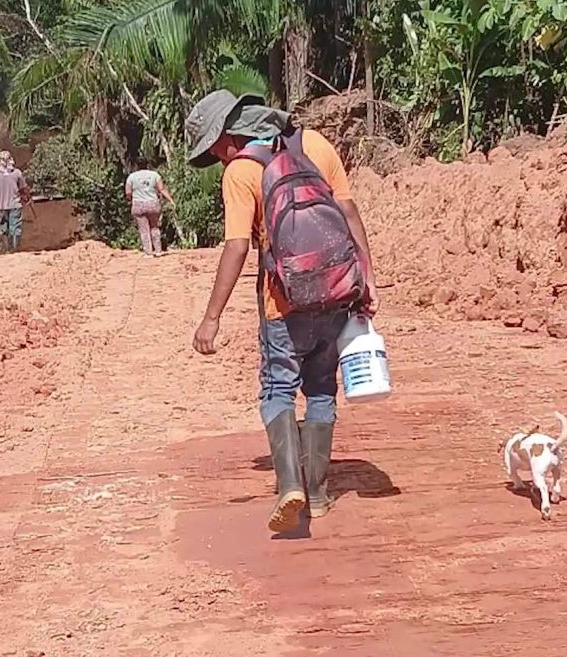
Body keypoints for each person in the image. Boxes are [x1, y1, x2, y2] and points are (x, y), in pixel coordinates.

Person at [184, 89, 378, 534]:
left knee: (277, 389)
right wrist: (367, 278)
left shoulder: (240, 172)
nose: (216, 156)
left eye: (214, 147)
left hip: (282, 303)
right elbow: (348, 211)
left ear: (227, 135)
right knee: (322, 390)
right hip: (335, 293)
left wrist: (211, 316)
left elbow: (237, 246)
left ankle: (289, 484)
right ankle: (318, 494)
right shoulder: (315, 144)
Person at [124, 162, 175, 257]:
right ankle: (158, 250)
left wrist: (131, 200)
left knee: (144, 229)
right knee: (154, 227)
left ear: (136, 166)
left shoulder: (131, 177)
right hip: (153, 204)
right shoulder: (154, 175)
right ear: (147, 165)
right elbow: (162, 189)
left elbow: (128, 193)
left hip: (138, 205)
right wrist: (171, 200)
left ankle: (148, 252)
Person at [0, 151, 30, 253]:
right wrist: (27, 197)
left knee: (3, 229)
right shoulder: (17, 173)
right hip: (15, 205)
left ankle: (7, 251)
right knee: (15, 228)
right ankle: (15, 250)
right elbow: (24, 188)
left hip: (1, 206)